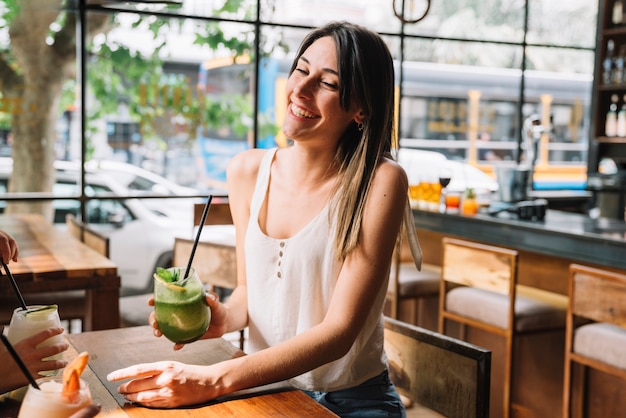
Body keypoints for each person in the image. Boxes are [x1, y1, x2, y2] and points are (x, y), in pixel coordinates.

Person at [107, 21, 409, 417]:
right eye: (301, 70)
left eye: (328, 83)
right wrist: (224, 317)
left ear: (361, 108)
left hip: (352, 400)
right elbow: (251, 291)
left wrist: (214, 379)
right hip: (266, 391)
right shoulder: (246, 172)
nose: (300, 90)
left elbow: (339, 333)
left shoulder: (381, 182)